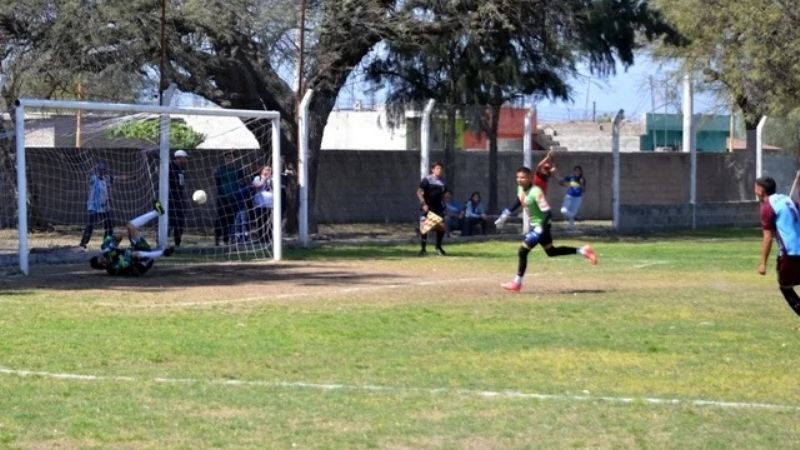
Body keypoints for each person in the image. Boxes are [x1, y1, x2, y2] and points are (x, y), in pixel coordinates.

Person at [496, 166, 597, 292]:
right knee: (551, 251)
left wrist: (539, 228)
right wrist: (506, 213)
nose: (519, 180)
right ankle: (583, 251)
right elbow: (519, 199)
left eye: (522, 177)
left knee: (522, 251)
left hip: (542, 226)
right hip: (537, 226)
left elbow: (548, 213)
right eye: (517, 177)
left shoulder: (536, 192)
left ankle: (517, 283)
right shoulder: (521, 189)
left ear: (530, 178)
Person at [89, 201, 174, 276]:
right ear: (102, 267)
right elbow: (127, 264)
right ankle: (163, 252)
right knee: (133, 254)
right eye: (101, 264)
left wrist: (120, 235)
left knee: (130, 225)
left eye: (100, 259)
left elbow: (115, 240)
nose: (103, 261)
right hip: (141, 264)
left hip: (141, 249)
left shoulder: (107, 252)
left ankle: (157, 212)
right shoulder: (112, 269)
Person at [755, 176, 800, 317]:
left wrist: (763, 263)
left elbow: (767, 238)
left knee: (786, 287)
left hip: (790, 254)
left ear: (761, 190)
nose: (755, 191)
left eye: (755, 188)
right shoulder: (787, 200)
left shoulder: (767, 207)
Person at [79, 161, 114, 249]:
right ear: (97, 170)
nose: (102, 171)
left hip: (104, 206)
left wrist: (132, 177)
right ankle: (83, 243)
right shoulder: (93, 178)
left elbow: (118, 178)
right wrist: (94, 167)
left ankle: (106, 243)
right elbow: (88, 174)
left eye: (103, 169)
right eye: (100, 169)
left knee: (109, 225)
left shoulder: (106, 179)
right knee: (90, 225)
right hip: (94, 207)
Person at [214, 151, 245, 245]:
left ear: (234, 159)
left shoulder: (238, 170)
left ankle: (226, 239)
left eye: (231, 158)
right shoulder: (220, 170)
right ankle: (217, 239)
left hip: (233, 198)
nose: (229, 160)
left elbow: (242, 181)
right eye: (227, 158)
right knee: (220, 219)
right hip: (222, 198)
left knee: (230, 220)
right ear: (225, 159)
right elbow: (217, 181)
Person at [417, 161, 448, 256]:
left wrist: (445, 205)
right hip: (428, 207)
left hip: (438, 208)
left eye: (441, 169)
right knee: (425, 228)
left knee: (441, 227)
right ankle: (423, 249)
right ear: (433, 170)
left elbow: (443, 195)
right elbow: (419, 192)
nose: (439, 170)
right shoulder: (427, 180)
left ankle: (438, 247)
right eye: (437, 168)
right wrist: (423, 203)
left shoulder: (443, 182)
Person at [169, 149, 189, 246]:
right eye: (185, 158)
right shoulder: (169, 167)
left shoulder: (182, 170)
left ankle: (177, 244)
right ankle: (161, 242)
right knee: (168, 222)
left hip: (179, 200)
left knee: (180, 222)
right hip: (170, 200)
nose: (186, 160)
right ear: (179, 158)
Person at [251, 165, 274, 243]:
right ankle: (261, 238)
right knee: (260, 222)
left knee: (270, 222)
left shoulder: (273, 179)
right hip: (260, 204)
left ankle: (269, 238)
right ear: (262, 171)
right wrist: (264, 179)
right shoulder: (258, 178)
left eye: (269, 170)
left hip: (270, 204)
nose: (267, 171)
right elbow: (257, 186)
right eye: (266, 170)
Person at [560, 165, 586, 229]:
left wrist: (581, 184)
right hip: (569, 196)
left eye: (579, 171)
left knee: (572, 212)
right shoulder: (571, 177)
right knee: (563, 210)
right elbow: (561, 182)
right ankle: (576, 218)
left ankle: (571, 226)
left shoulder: (582, 179)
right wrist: (566, 184)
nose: (577, 172)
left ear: (581, 172)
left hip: (577, 198)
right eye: (576, 170)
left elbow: (583, 190)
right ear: (574, 171)